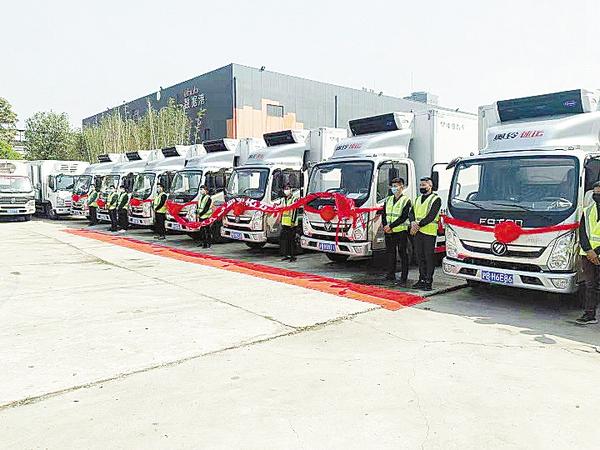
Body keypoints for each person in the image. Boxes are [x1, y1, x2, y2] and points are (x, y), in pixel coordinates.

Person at [409, 177, 441, 291]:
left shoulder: (436, 199)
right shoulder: (417, 199)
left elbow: (431, 216)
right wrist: (412, 222)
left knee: (429, 257)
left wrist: (417, 225)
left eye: (424, 185)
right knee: (419, 257)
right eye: (421, 185)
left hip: (429, 232)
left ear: (430, 186)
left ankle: (428, 281)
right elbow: (411, 213)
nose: (422, 187)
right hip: (418, 232)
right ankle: (421, 279)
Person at [576, 181, 600, 325]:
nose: (596, 194)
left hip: (595, 253)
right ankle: (589, 315)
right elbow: (582, 232)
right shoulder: (588, 210)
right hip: (588, 255)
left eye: (599, 192)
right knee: (590, 286)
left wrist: (596, 252)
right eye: (595, 192)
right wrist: (589, 251)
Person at [381, 178, 412, 285]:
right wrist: (385, 226)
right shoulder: (388, 199)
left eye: (396, 186)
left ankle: (403, 278)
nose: (394, 188)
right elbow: (384, 214)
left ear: (401, 187)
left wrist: (390, 226)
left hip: (401, 231)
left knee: (403, 254)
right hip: (389, 231)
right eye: (392, 186)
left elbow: (404, 217)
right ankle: (390, 274)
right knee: (390, 253)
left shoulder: (406, 200)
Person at [280, 183, 299, 262]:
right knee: (285, 240)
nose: (286, 190)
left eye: (288, 188)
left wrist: (293, 221)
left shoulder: (294, 199)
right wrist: (281, 220)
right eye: (285, 189)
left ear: (291, 190)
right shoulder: (283, 199)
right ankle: (286, 255)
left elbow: (295, 211)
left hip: (291, 224)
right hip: (284, 223)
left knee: (292, 241)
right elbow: (281, 210)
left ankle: (293, 256)